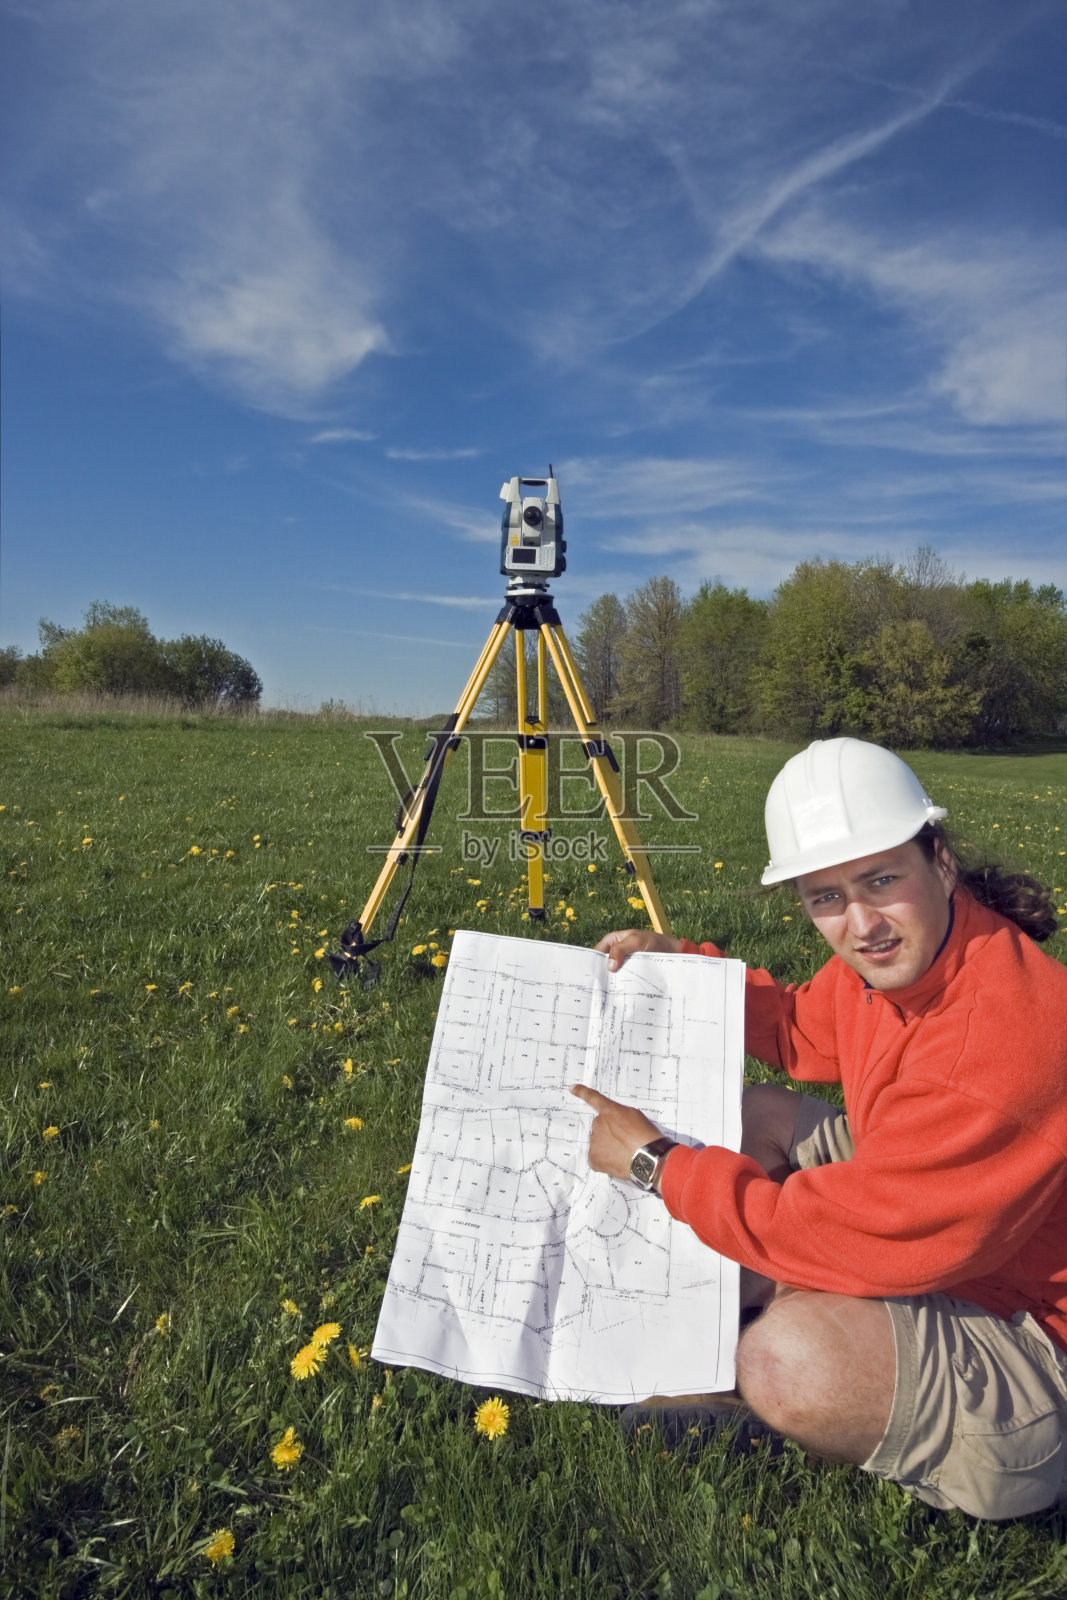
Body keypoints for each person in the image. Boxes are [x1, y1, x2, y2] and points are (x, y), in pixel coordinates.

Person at [571, 737, 1067, 1521]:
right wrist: (684, 969)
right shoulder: (915, 954)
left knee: (786, 1358)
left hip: (1034, 1340)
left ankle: (958, 1440)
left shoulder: (997, 1044)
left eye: (880, 880)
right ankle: (751, 1317)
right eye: (826, 897)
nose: (860, 923)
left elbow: (857, 1234)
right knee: (755, 1116)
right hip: (946, 1230)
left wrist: (658, 1166)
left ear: (938, 862)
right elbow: (806, 1026)